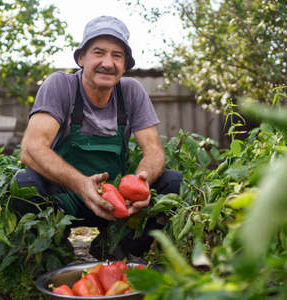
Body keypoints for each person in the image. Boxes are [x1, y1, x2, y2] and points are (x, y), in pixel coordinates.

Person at [11, 15, 182, 260]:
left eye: (117, 55)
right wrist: (82, 185)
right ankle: (56, 253)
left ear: (125, 65)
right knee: (25, 183)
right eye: (98, 52)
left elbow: (154, 151)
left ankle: (126, 251)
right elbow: (31, 149)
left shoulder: (131, 92)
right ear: (81, 58)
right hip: (67, 199)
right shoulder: (61, 86)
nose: (107, 63)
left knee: (171, 182)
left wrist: (142, 180)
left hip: (115, 201)